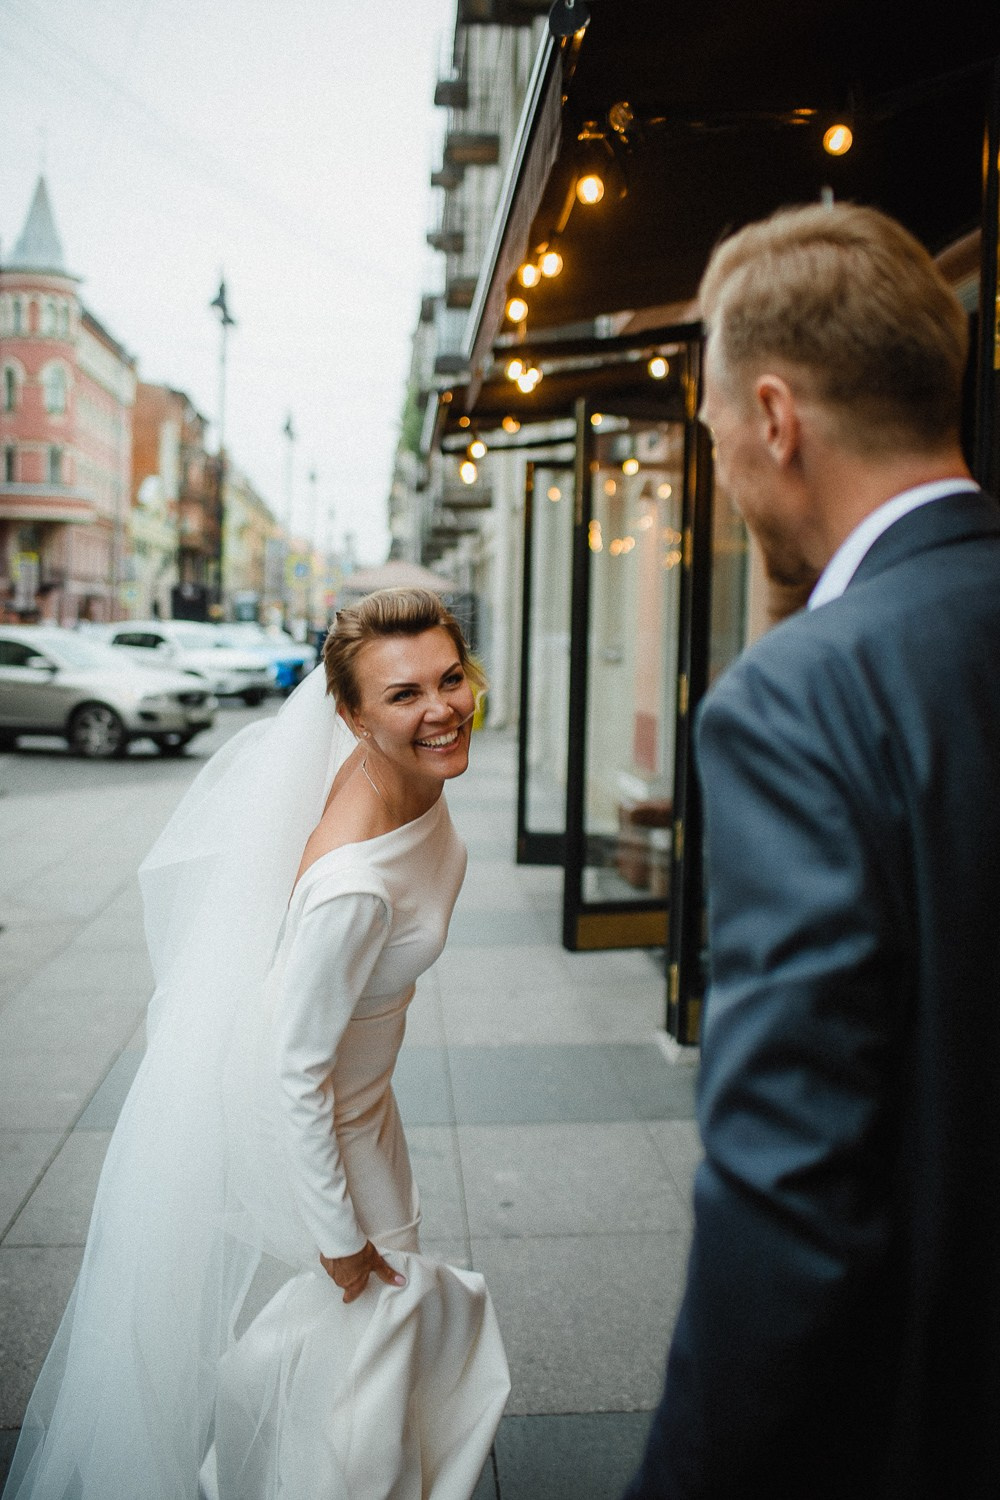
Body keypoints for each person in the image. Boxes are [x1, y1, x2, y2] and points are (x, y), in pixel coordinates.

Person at [625, 203, 1000, 1498]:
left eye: (721, 436)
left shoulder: (800, 699)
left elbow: (792, 1192)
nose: (726, 477)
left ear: (776, 422)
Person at [5, 587, 509, 1500]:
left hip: (368, 1100)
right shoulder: (351, 888)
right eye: (403, 696)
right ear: (350, 716)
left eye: (449, 678)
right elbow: (294, 1070)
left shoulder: (412, 775)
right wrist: (337, 1236)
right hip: (333, 1131)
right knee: (381, 1317)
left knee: (369, 1339)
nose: (442, 710)